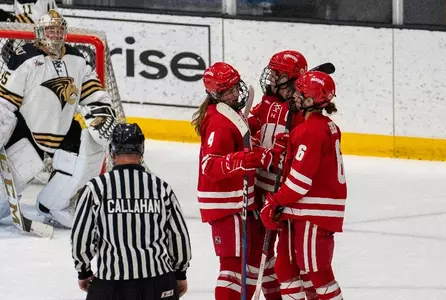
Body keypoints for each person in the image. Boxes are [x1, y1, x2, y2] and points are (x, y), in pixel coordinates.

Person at [0, 9, 117, 228]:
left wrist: (101, 109)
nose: (55, 35)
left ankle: (52, 204)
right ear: (39, 33)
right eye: (50, 31)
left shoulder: (77, 59)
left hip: (64, 129)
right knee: (2, 201)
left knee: (91, 149)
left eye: (58, 31)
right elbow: (5, 103)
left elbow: (92, 92)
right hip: (26, 130)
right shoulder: (24, 58)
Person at [71, 123, 191, 300]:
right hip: (157, 282)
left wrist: (84, 271)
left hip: (112, 284)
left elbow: (81, 238)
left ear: (113, 152)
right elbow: (178, 237)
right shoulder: (161, 188)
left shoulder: (96, 188)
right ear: (141, 151)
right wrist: (180, 274)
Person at [260, 71, 346, 300]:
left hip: (312, 211)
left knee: (319, 275)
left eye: (300, 93)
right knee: (285, 269)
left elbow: (299, 183)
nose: (294, 96)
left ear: (310, 101)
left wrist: (274, 200)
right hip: (300, 210)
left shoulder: (311, 131)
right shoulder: (318, 126)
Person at [192, 62, 275, 300]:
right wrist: (244, 160)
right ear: (215, 94)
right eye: (227, 91)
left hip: (238, 201)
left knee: (245, 265)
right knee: (231, 267)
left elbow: (242, 146)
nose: (234, 94)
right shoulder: (218, 120)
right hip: (225, 203)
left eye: (234, 88)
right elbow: (210, 165)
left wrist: (255, 151)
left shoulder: (231, 113)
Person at [247, 49, 308, 299]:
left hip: (282, 193)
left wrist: (287, 148)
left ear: (292, 79)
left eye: (277, 73)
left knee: (286, 258)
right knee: (263, 253)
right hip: (260, 186)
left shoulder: (302, 109)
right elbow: (254, 128)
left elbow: (303, 152)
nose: (271, 77)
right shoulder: (268, 101)